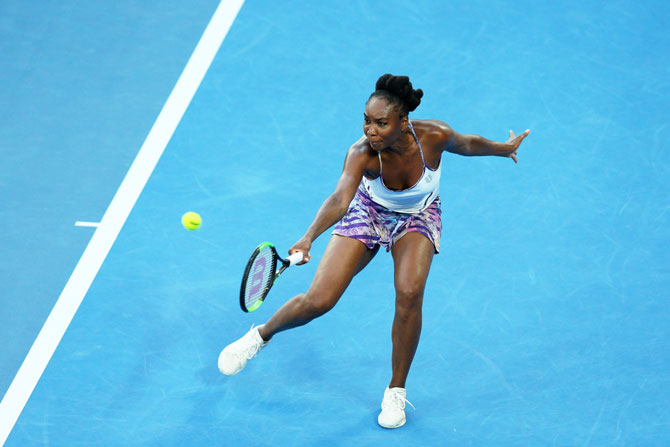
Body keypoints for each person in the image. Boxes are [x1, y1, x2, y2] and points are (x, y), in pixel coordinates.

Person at [218, 74, 530, 429]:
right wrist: (308, 238)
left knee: (410, 293)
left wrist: (503, 149)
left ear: (403, 122)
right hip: (369, 211)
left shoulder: (434, 136)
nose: (371, 130)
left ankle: (395, 389)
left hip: (418, 216)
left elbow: (468, 143)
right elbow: (339, 199)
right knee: (320, 300)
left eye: (381, 123)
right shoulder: (361, 154)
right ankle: (259, 337)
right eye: (367, 120)